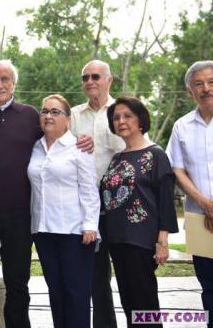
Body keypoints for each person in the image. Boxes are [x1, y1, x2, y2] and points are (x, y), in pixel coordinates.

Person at [0, 60, 94, 328]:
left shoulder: (31, 115)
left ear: (14, 83)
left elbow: (55, 135)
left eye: (5, 79)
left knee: (18, 282)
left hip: (21, 214)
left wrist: (83, 137)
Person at [100, 97, 178, 327]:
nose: (121, 121)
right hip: (116, 239)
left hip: (141, 240)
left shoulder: (156, 155)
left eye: (127, 116)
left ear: (140, 120)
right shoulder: (117, 158)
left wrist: (162, 241)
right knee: (128, 301)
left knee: (144, 303)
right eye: (116, 118)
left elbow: (165, 200)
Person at [29, 94, 99, 328]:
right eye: (44, 111)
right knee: (55, 292)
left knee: (76, 293)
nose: (48, 116)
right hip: (43, 230)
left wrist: (90, 225)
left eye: (55, 112)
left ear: (68, 119)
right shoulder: (35, 147)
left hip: (75, 231)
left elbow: (90, 189)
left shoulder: (79, 147)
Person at [70, 60, 125, 328]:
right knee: (96, 276)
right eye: (85, 77)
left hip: (122, 204)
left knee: (130, 275)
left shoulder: (122, 112)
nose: (89, 81)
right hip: (88, 207)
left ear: (109, 80)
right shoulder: (73, 114)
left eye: (95, 76)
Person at [167, 61, 213, 326]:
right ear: (190, 90)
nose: (206, 88)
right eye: (199, 84)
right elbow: (177, 169)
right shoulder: (181, 126)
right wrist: (205, 203)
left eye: (211, 82)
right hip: (199, 219)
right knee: (208, 285)